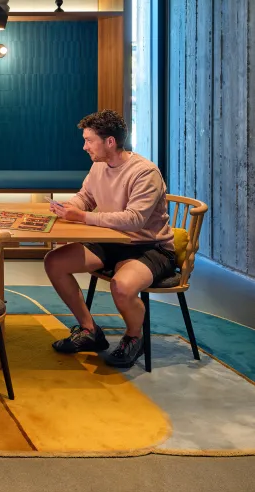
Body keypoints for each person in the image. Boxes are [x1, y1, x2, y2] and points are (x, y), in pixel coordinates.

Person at [44, 109, 176, 368]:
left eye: (89, 140)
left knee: (122, 287)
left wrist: (82, 217)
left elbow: (134, 219)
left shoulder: (145, 172)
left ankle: (134, 337)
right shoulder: (98, 166)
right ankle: (89, 329)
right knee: (54, 262)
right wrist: (67, 207)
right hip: (110, 240)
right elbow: (86, 196)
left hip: (149, 247)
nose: (84, 146)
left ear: (110, 142)